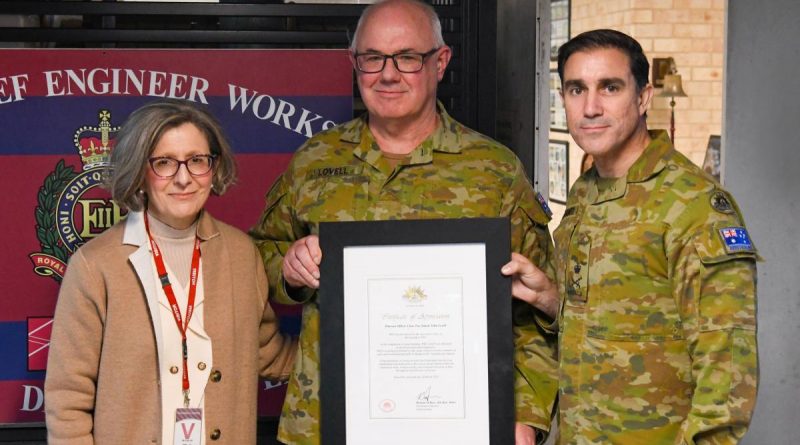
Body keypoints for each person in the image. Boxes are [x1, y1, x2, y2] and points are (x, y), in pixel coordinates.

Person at [249, 1, 558, 443]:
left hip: (460, 426)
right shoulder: (314, 162)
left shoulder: (494, 171)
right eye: (372, 58)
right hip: (328, 424)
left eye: (408, 58)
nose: (388, 74)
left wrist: (525, 416)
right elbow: (256, 259)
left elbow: (537, 309)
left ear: (441, 62)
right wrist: (291, 269)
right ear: (353, 64)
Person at [502, 29, 759, 444]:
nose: (590, 107)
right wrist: (551, 298)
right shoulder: (586, 192)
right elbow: (614, 320)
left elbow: (727, 375)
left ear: (643, 98)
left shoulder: (692, 205)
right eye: (575, 89)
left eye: (610, 87)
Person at [45, 100, 296, 444]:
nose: (183, 178)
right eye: (164, 163)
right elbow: (67, 399)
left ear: (214, 167)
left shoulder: (241, 253)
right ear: (139, 173)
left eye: (197, 161)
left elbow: (268, 352)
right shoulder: (96, 265)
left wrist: (355, 346)